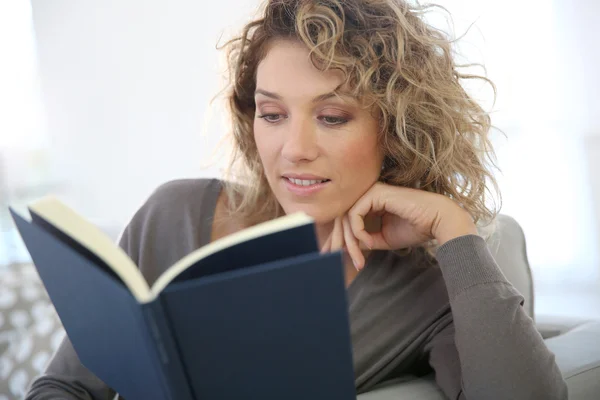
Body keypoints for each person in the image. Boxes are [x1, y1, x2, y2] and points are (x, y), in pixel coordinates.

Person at [26, 0, 568, 399]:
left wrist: (453, 225)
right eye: (272, 113)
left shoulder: (425, 289)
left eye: (332, 117)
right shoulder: (173, 216)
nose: (294, 150)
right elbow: (62, 387)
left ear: (398, 130)